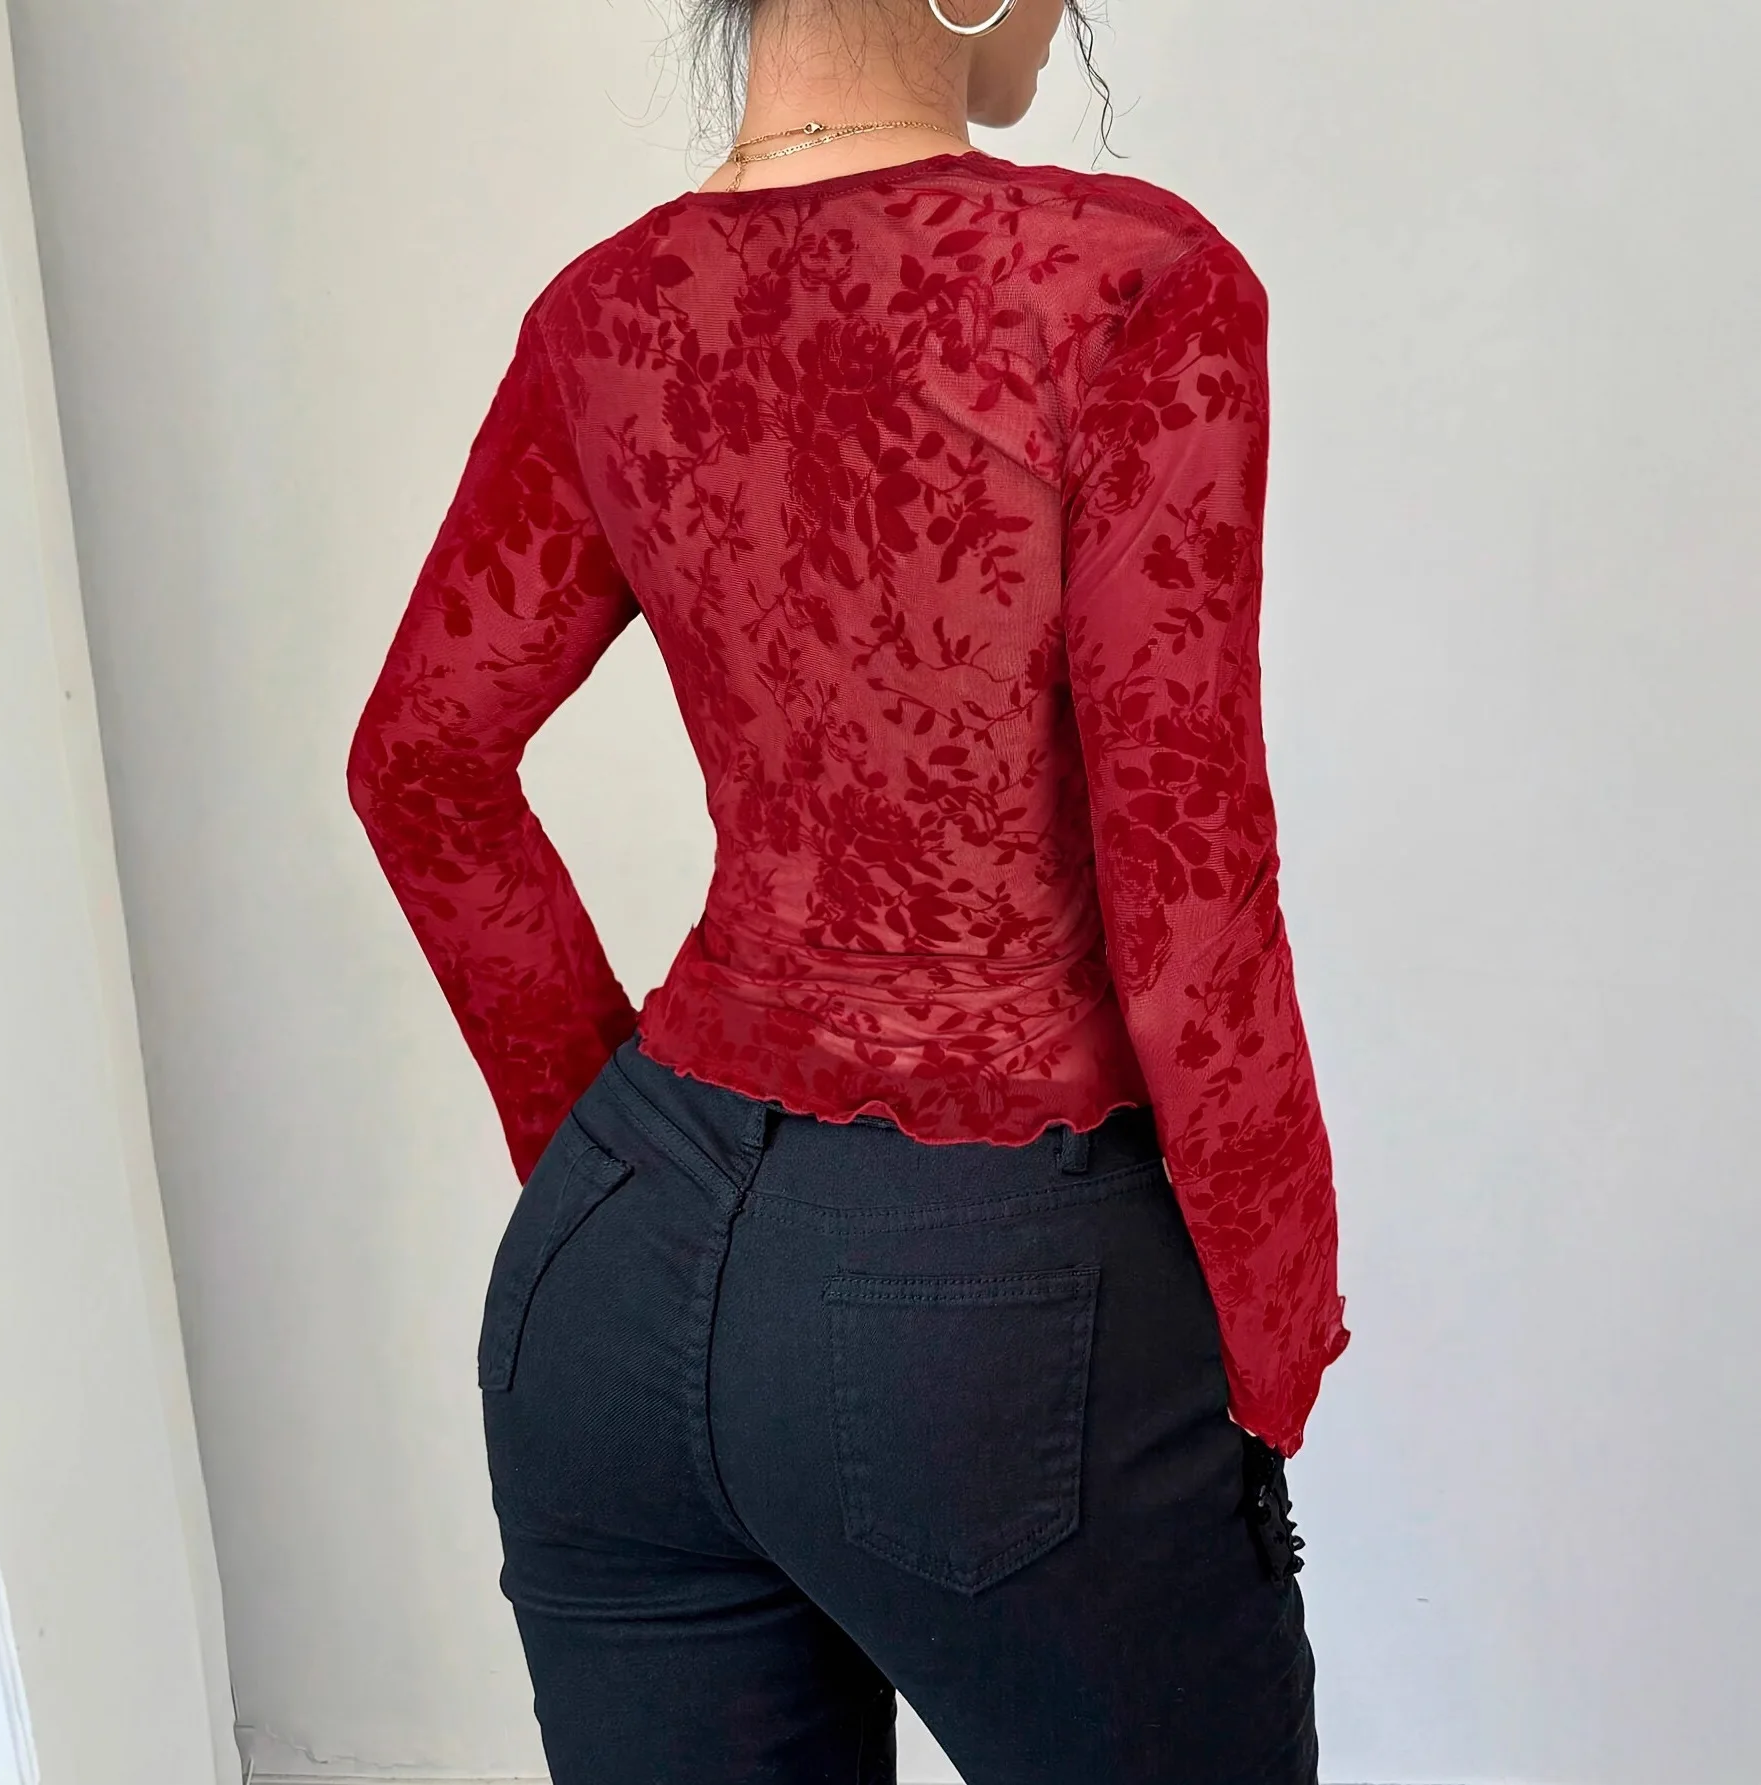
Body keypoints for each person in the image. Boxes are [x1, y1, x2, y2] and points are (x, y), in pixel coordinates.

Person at [346, 0, 1350, 1778]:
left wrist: (599, 1172)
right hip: (990, 1299)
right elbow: (1186, 864)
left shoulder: (605, 313)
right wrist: (1278, 1335)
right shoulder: (1128, 283)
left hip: (610, 1293)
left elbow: (420, 763)